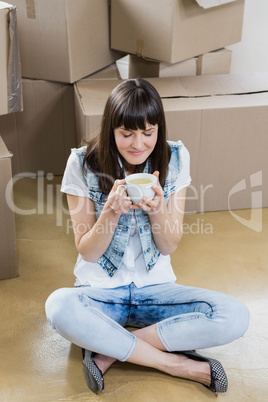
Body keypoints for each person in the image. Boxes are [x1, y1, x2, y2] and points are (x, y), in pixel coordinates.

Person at [45, 78, 249, 395]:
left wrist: (158, 210)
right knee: (58, 307)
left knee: (235, 316)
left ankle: (108, 351)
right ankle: (178, 364)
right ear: (111, 130)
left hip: (157, 289)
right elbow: (87, 252)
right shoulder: (83, 163)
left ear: (158, 129)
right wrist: (110, 212)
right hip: (102, 293)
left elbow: (169, 244)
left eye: (148, 132)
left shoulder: (176, 158)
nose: (139, 144)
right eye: (127, 134)